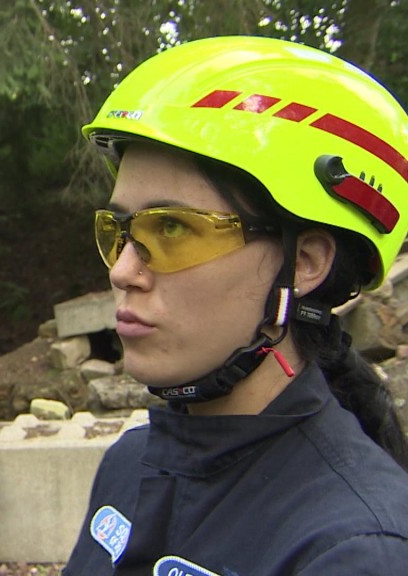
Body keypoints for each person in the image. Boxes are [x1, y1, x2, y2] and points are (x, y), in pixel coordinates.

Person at [63, 36, 408, 575]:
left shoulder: (357, 548)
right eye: (118, 230)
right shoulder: (129, 466)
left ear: (305, 263)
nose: (122, 270)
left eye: (172, 227)